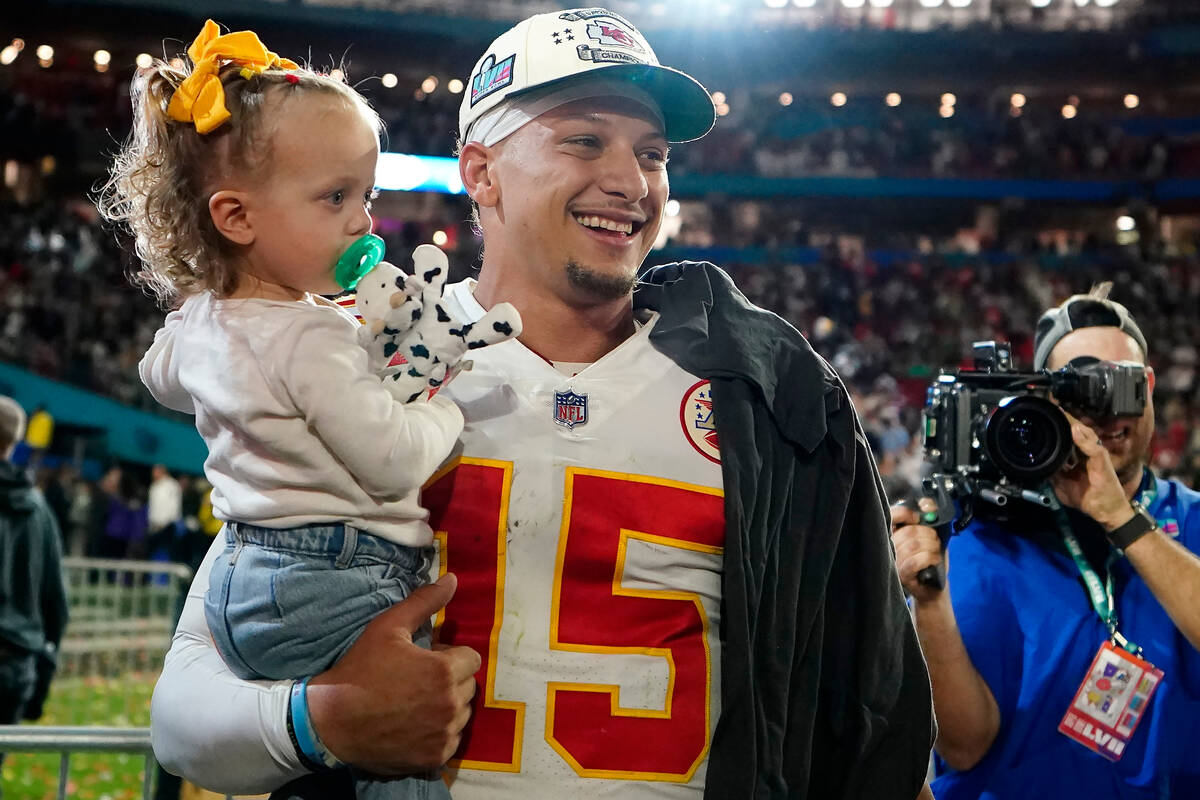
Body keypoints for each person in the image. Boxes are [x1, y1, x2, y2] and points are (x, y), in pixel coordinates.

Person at [149, 9, 935, 799]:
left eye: (652, 154)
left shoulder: (765, 395)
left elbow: (869, 710)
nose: (631, 182)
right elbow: (182, 717)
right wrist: (321, 722)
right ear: (481, 172)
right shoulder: (353, 354)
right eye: (584, 140)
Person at [99, 19, 513, 799]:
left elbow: (161, 378)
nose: (363, 221)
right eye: (334, 198)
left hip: (247, 577)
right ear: (237, 218)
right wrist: (444, 409)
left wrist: (207, 304)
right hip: (337, 577)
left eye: (367, 195)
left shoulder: (206, 321)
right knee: (400, 758)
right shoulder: (308, 341)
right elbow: (391, 456)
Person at [892, 284, 1200, 798]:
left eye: (1122, 384)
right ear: (1048, 400)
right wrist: (930, 604)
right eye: (1082, 389)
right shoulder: (985, 539)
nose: (1107, 409)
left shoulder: (1189, 520)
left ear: (1149, 384)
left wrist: (1120, 520)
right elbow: (965, 747)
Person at [0, 396, 69, 775]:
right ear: (14, 442)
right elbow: (56, 603)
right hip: (14, 667)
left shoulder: (39, 509)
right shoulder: (39, 510)